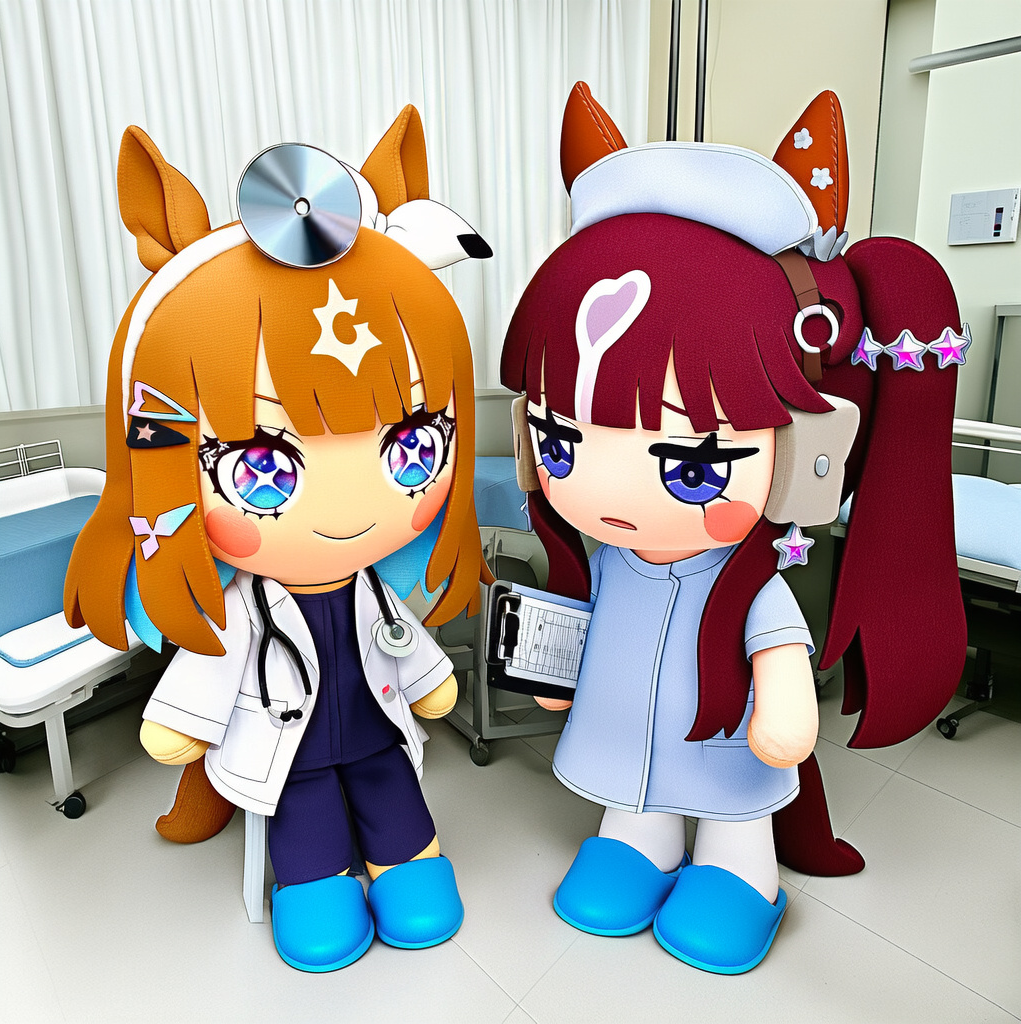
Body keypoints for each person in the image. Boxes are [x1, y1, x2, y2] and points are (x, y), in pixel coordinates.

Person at [499, 84, 966, 974]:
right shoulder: (609, 559)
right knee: (634, 804)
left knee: (735, 803)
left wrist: (785, 708)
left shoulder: (750, 585)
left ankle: (740, 870)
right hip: (629, 743)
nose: (605, 490)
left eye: (694, 462)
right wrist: (554, 668)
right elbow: (585, 622)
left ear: (805, 453)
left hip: (727, 756)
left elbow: (777, 656)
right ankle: (640, 842)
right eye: (559, 442)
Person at [65, 107, 492, 972]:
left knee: (396, 800)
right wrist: (179, 726)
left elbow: (399, 640)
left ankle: (407, 860)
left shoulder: (373, 586)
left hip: (377, 734)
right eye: (261, 466)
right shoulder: (242, 605)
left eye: (413, 449)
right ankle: (317, 880)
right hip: (288, 750)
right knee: (307, 824)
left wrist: (432, 683)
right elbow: (211, 670)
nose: (351, 508)